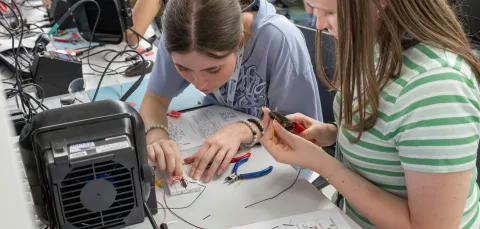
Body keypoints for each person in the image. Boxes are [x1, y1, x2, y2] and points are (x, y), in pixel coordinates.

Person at [259, 0, 480, 228]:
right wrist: (333, 133)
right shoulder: (376, 41)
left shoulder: (437, 88)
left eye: (329, 12)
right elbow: (390, 130)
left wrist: (321, 163)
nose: (320, 24)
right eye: (311, 6)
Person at [140, 0, 322, 183]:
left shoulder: (280, 40)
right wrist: (157, 137)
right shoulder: (180, 34)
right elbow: (155, 99)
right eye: (183, 68)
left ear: (240, 41)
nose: (199, 83)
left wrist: (244, 129)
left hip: (286, 170)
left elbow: (302, 132)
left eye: (213, 70)